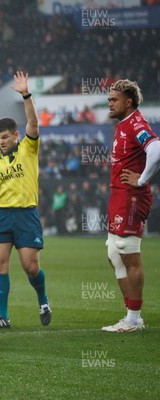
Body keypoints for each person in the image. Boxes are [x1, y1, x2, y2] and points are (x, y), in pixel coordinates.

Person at [0, 71, 51, 330]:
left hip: (25, 214)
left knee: (30, 266)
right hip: (1, 214)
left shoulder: (28, 147)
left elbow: (33, 123)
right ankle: (4, 316)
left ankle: (43, 301)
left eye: (5, 138)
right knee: (0, 264)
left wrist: (26, 94)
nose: (1, 142)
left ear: (15, 135)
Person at [102, 79, 160, 332]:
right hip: (120, 194)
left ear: (129, 102)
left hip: (132, 196)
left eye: (114, 100)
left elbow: (156, 148)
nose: (110, 104)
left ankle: (134, 319)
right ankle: (131, 315)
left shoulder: (136, 123)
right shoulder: (124, 124)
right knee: (114, 253)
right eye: (109, 100)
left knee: (127, 250)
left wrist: (143, 178)